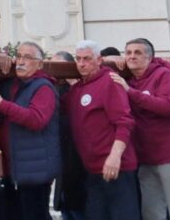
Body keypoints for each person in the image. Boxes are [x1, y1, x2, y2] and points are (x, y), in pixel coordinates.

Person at [109, 38, 170, 220]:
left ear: (149, 58)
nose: (132, 56)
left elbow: (168, 106)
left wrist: (130, 92)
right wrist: (112, 61)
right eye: (128, 52)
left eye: (137, 52)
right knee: (151, 214)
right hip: (146, 159)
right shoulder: (129, 80)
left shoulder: (163, 75)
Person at [0, 42, 60, 220]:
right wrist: (1, 55)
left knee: (36, 215)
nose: (20, 61)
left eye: (27, 57)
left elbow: (36, 120)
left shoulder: (43, 87)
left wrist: (1, 104)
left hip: (37, 170)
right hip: (20, 168)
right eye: (18, 56)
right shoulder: (18, 84)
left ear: (39, 64)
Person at [64, 40, 137, 220]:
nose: (81, 64)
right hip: (92, 171)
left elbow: (124, 122)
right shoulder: (78, 88)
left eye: (87, 59)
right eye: (78, 59)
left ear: (98, 60)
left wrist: (114, 157)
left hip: (116, 168)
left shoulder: (109, 81)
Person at [51, 51, 86, 220]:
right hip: (62, 159)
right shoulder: (51, 88)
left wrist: (74, 82)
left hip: (81, 159)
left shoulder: (79, 87)